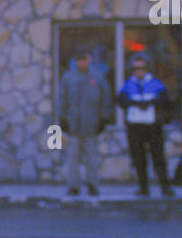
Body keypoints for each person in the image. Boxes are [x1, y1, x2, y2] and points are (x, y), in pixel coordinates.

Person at [56, 46, 112, 197]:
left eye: (84, 59)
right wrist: (62, 118)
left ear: (89, 59)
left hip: (92, 125)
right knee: (73, 158)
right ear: (75, 61)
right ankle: (73, 186)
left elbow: (105, 98)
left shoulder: (98, 77)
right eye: (78, 59)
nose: (82, 62)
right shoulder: (68, 77)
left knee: (92, 158)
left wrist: (104, 119)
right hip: (73, 125)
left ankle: (92, 185)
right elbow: (62, 99)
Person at [117, 55, 174, 198]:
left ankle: (165, 188)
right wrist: (135, 104)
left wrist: (151, 103)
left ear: (147, 69)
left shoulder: (155, 83)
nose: (139, 71)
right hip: (135, 126)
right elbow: (121, 101)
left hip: (153, 125)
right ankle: (143, 188)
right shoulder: (128, 84)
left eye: (142, 68)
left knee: (158, 158)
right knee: (139, 158)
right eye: (136, 68)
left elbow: (165, 100)